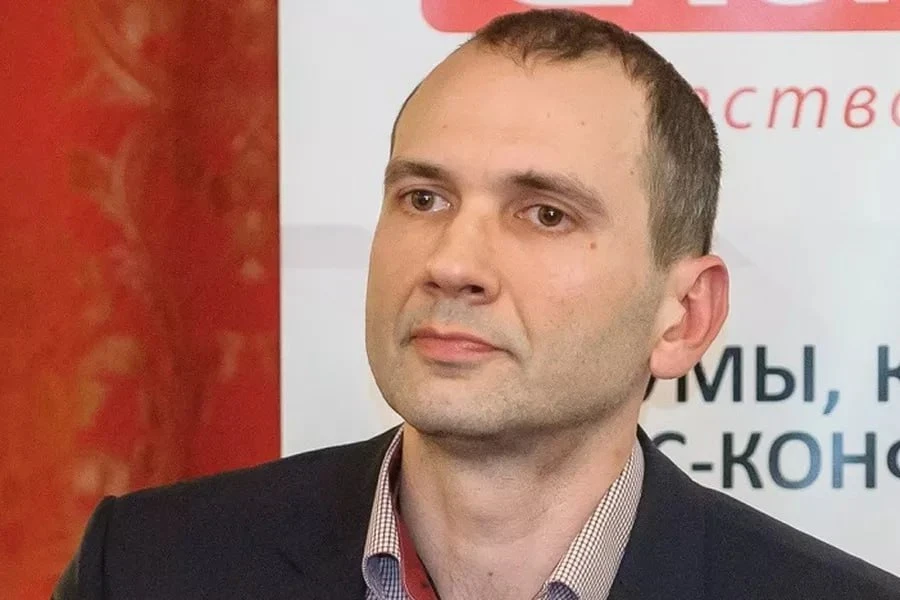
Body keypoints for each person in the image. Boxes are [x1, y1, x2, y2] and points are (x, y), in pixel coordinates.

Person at [54, 9, 900, 600]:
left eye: (545, 214)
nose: (453, 263)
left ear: (683, 317)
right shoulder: (148, 569)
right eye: (424, 199)